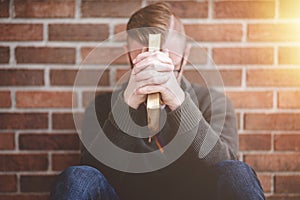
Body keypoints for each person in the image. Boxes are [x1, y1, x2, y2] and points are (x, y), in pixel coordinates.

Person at [50, 2, 265, 200]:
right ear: (128, 55)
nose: (155, 67)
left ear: (185, 54)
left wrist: (179, 102)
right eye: (142, 58)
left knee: (239, 173)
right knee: (78, 176)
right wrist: (127, 106)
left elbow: (226, 168)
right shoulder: (102, 107)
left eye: (166, 58)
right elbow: (91, 179)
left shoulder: (214, 102)